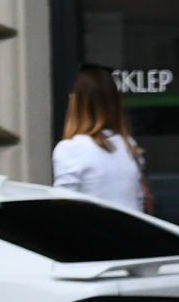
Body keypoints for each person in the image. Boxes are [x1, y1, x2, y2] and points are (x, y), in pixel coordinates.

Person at [52, 65, 147, 213]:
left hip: (93, 233)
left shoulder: (69, 149)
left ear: (75, 102)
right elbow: (139, 201)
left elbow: (63, 207)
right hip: (129, 232)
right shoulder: (128, 145)